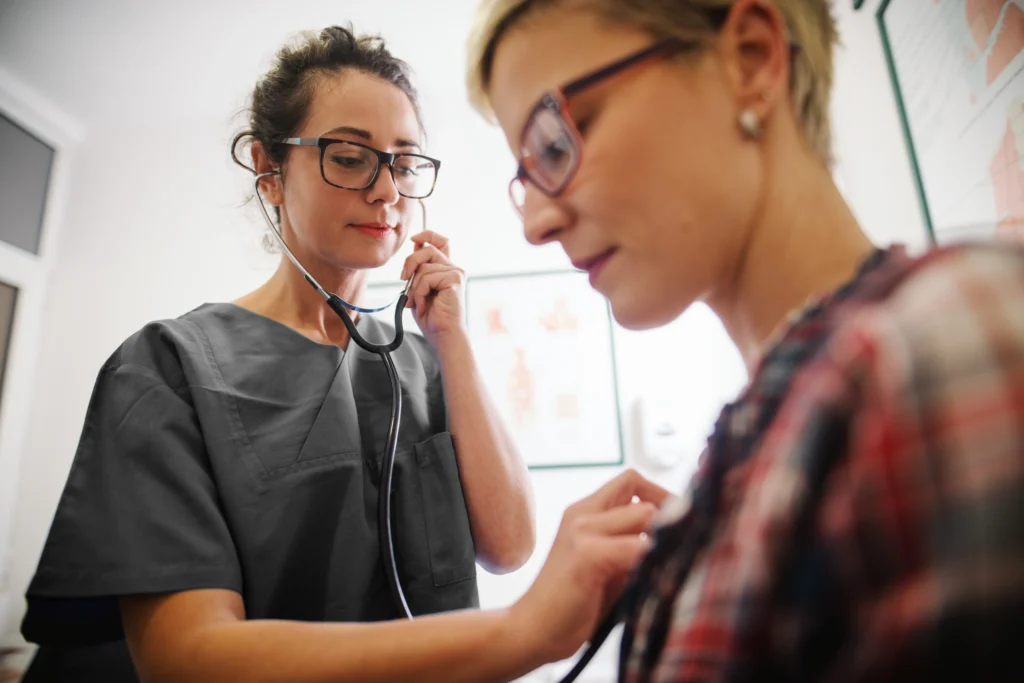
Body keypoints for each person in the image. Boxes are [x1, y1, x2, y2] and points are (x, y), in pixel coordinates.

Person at [464, 0, 1024, 680]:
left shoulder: (938, 345)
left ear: (751, 58)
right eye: (526, 177)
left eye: (555, 143)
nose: (537, 224)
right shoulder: (764, 438)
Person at [18, 25, 552, 682]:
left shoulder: (429, 364)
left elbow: (510, 545)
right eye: (351, 156)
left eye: (405, 163)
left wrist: (453, 340)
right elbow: (186, 660)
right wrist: (515, 634)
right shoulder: (169, 366)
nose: (388, 191)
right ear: (270, 171)